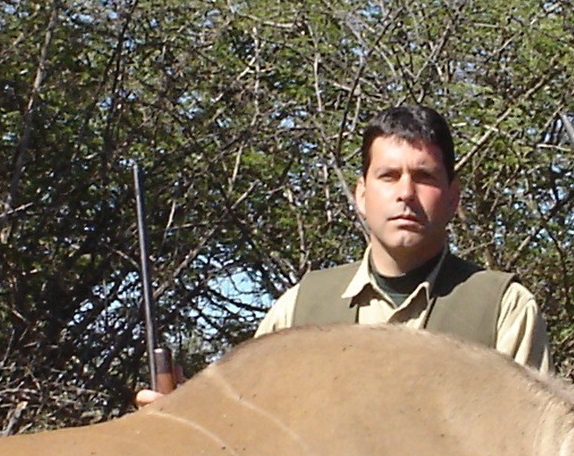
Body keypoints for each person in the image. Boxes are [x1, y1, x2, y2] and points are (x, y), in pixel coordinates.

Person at [136, 105, 549, 406]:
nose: (405, 193)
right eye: (388, 176)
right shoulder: (301, 306)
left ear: (453, 197)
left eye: (424, 177)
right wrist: (183, 413)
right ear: (362, 194)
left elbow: (531, 454)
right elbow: (245, 428)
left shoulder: (502, 308)